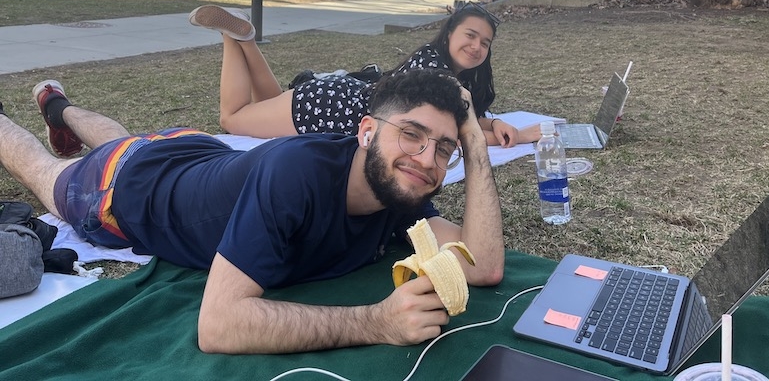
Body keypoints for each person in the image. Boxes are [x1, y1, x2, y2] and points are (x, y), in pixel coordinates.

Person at [0, 69, 503, 354]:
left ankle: (58, 107)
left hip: (196, 151)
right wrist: (376, 322)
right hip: (121, 189)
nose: (425, 159)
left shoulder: (398, 190)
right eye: (411, 134)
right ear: (367, 132)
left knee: (125, 138)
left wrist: (474, 141)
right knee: (42, 169)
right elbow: (218, 325)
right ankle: (38, 114)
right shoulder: (298, 175)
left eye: (443, 148)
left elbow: (482, 264)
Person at [186, 2, 542, 148]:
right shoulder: (436, 70)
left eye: (485, 42)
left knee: (267, 102)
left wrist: (492, 124)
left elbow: (463, 116)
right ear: (450, 34)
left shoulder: (440, 66)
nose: (477, 46)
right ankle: (231, 37)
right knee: (232, 119)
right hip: (333, 109)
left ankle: (245, 38)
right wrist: (519, 135)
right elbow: (458, 128)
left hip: (337, 98)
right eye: (470, 35)